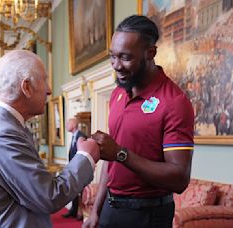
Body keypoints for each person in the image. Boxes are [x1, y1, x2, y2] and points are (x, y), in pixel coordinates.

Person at [0, 50, 102, 227]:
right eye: (44, 80)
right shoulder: (4, 133)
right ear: (26, 87)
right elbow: (49, 197)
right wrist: (86, 157)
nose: (49, 90)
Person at [83, 15, 194, 228]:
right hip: (110, 207)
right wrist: (96, 210)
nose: (116, 65)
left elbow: (179, 179)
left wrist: (121, 154)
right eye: (112, 57)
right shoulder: (117, 94)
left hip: (148, 214)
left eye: (126, 57)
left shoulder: (174, 102)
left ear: (150, 53)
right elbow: (111, 158)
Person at [62, 117, 87, 220]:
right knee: (74, 191)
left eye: (68, 123)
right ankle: (73, 210)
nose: (66, 125)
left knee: (80, 191)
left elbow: (82, 155)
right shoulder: (74, 136)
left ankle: (80, 213)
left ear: (74, 124)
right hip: (73, 169)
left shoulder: (81, 136)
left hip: (80, 169)